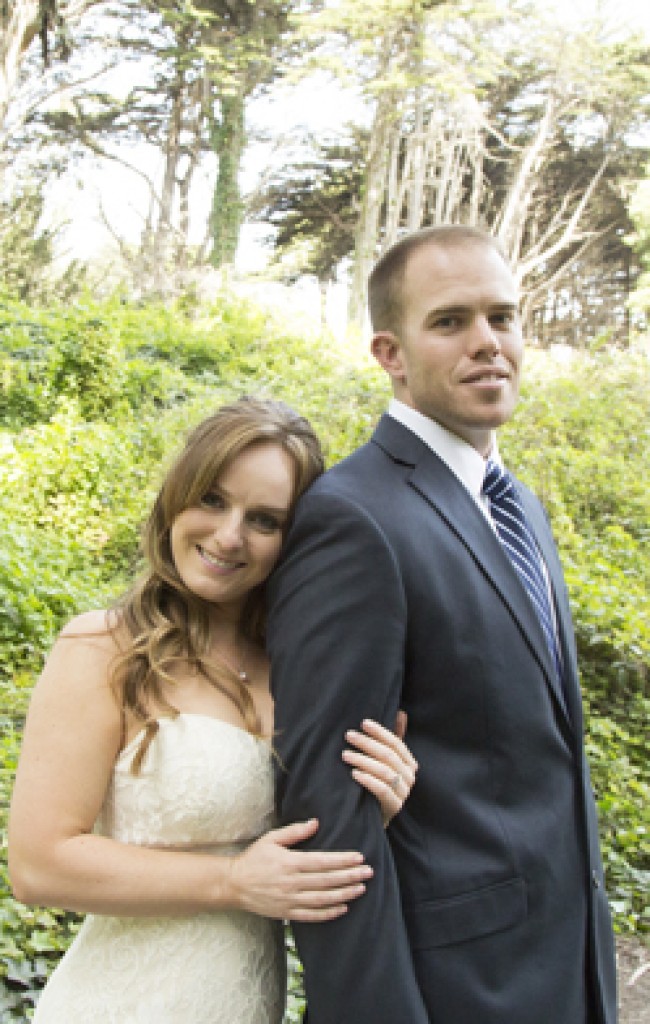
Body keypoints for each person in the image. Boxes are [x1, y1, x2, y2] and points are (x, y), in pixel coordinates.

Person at [267, 225, 618, 1024]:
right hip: (451, 990)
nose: (488, 343)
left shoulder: (519, 505)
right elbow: (329, 808)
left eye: (504, 317)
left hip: (564, 970)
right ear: (389, 352)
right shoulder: (354, 517)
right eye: (451, 321)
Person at [8, 397, 419, 1024]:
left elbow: (303, 848)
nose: (229, 536)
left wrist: (375, 803)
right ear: (178, 497)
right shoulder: (103, 649)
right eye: (212, 500)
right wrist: (231, 883)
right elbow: (39, 864)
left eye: (264, 519)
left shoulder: (301, 673)